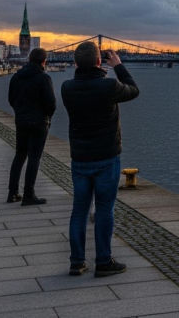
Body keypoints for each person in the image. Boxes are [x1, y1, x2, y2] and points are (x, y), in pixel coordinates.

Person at [61, 41, 139, 277]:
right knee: (105, 209)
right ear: (98, 61)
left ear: (75, 63)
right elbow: (133, 90)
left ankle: (77, 262)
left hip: (80, 158)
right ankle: (103, 261)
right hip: (106, 156)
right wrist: (118, 66)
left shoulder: (67, 87)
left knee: (79, 210)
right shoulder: (109, 86)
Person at [7, 47, 56, 205]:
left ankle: (12, 193)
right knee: (34, 157)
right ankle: (29, 194)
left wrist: (20, 112)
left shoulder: (16, 77)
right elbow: (51, 103)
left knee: (20, 155)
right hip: (39, 122)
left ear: (29, 60)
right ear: (44, 61)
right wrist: (47, 116)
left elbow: (11, 99)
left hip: (21, 121)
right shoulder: (44, 78)